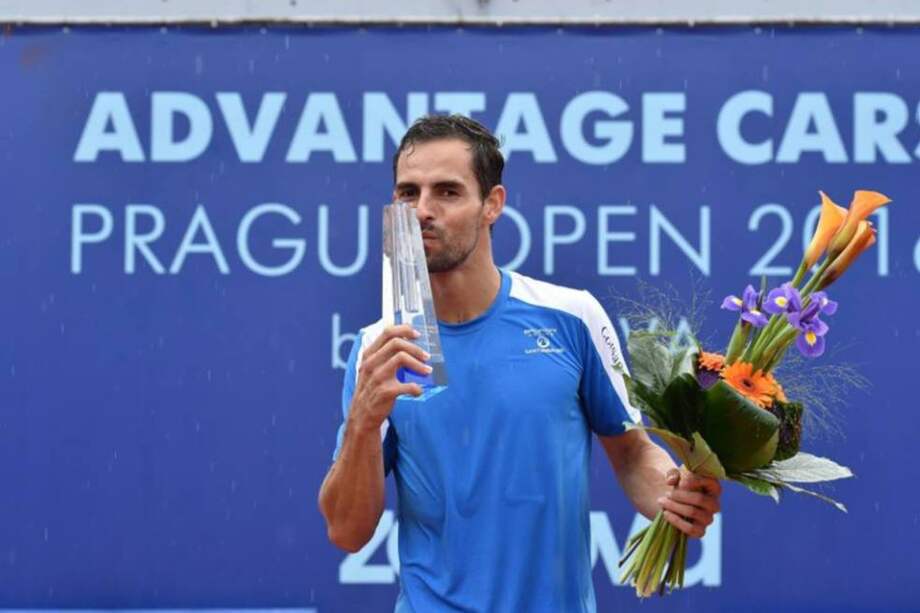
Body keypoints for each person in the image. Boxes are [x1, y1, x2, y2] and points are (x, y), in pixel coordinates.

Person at [318, 114, 721, 612]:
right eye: (408, 193)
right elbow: (347, 531)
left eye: (447, 192)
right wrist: (362, 423)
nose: (422, 210)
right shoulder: (377, 347)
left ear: (493, 204)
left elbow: (633, 454)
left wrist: (673, 495)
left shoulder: (572, 316)